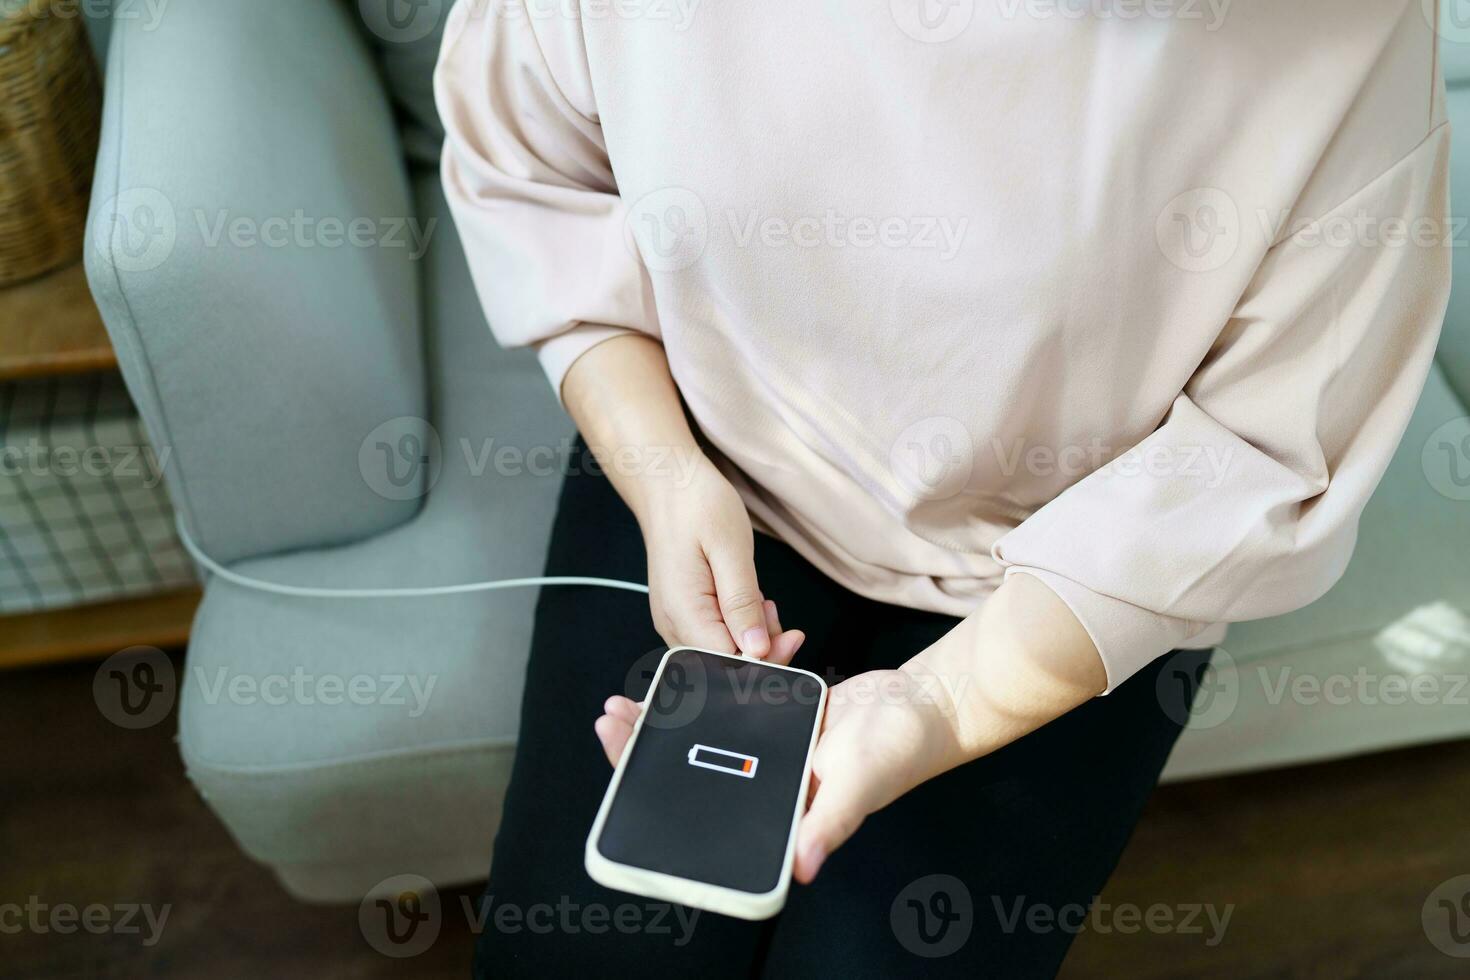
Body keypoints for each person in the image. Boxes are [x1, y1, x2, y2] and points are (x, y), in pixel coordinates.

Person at [435, 1, 1451, 975]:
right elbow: (535, 173)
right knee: (580, 946)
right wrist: (661, 474)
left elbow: (1259, 449)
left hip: (1079, 569)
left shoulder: (1349, 34)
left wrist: (937, 705)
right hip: (699, 466)